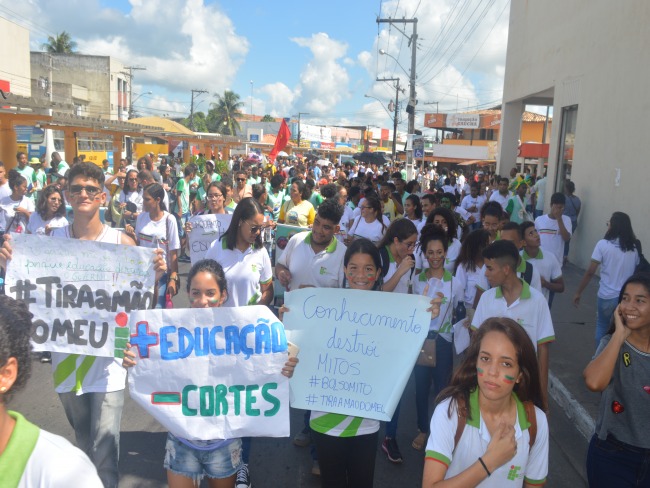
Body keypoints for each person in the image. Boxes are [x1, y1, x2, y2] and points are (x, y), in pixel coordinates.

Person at [0, 162, 166, 488]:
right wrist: (10, 260)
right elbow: (27, 290)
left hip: (110, 363)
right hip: (66, 363)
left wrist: (155, 274)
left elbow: (139, 301)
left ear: (103, 196)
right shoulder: (48, 240)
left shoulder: (122, 243)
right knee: (83, 441)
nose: (83, 194)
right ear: (67, 194)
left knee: (106, 449)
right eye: (76, 188)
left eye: (91, 189)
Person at [123, 259, 298, 488]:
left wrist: (283, 367)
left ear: (223, 295)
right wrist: (133, 359)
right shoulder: (169, 331)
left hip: (224, 445)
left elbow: (264, 367)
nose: (202, 301)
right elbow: (152, 365)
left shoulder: (242, 333)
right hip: (180, 440)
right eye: (196, 293)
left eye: (210, 293)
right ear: (188, 293)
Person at [422, 317, 549, 487]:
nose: (492, 371)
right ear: (475, 362)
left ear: (520, 375)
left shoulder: (536, 422)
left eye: (506, 363)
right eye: (485, 358)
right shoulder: (450, 412)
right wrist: (490, 461)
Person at [0, 295, 103, 487]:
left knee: (105, 441)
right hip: (67, 371)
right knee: (83, 432)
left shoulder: (63, 473)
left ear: (6, 374)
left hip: (106, 373)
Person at [583, 274, 650, 488]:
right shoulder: (611, 345)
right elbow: (594, 382)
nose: (630, 306)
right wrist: (619, 335)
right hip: (613, 455)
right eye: (625, 298)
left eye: (640, 300)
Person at [471, 240, 554, 412]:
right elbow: (475, 344)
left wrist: (543, 397)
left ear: (506, 269)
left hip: (524, 384)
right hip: (490, 382)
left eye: (490, 268)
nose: (486, 274)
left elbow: (543, 350)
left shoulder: (537, 301)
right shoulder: (486, 299)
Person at [411, 224, 463, 453]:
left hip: (444, 341)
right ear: (424, 254)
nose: (435, 257)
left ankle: (441, 431)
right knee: (421, 388)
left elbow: (459, 311)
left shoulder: (455, 282)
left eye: (439, 252)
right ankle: (423, 429)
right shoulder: (417, 280)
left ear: (446, 253)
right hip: (421, 340)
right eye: (430, 253)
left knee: (443, 390)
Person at [573, 211, 640, 347]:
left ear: (613, 226)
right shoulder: (633, 249)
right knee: (622, 331)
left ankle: (600, 358)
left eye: (609, 223)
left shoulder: (603, 245)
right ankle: (620, 361)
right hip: (625, 298)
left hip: (606, 296)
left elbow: (590, 272)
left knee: (602, 327)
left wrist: (578, 292)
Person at [125, 183, 180, 309]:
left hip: (161, 273)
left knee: (157, 308)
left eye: (147, 199)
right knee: (141, 308)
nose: (143, 202)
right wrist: (131, 236)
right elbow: (138, 245)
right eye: (143, 198)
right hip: (142, 272)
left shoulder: (169, 220)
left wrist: (173, 278)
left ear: (158, 200)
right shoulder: (141, 218)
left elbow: (173, 253)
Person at [520, 221, 564, 304]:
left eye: (535, 231)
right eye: (531, 234)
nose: (536, 235)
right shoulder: (518, 259)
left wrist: (546, 284)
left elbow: (561, 287)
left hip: (541, 308)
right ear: (523, 242)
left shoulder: (550, 257)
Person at [454, 229, 490, 313]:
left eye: (489, 244)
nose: (488, 247)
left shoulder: (492, 265)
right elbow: (459, 292)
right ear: (476, 246)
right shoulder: (464, 267)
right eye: (485, 244)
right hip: (469, 309)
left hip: (488, 308)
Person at [534, 192, 572, 269]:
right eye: (557, 207)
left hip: (557, 263)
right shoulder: (539, 220)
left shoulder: (566, 220)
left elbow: (566, 238)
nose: (559, 210)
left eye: (561, 208)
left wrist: (559, 219)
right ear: (551, 205)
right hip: (540, 262)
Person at [0, 170, 34, 234]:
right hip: (9, 237)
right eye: (24, 187)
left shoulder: (28, 201)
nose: (26, 189)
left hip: (24, 238)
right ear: (16, 187)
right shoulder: (4, 201)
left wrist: (25, 211)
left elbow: (33, 221)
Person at [562, 180, 581, 265]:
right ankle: (565, 256)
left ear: (566, 188)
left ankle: (561, 256)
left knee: (561, 240)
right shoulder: (577, 199)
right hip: (573, 221)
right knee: (567, 241)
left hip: (564, 221)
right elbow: (578, 212)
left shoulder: (563, 198)